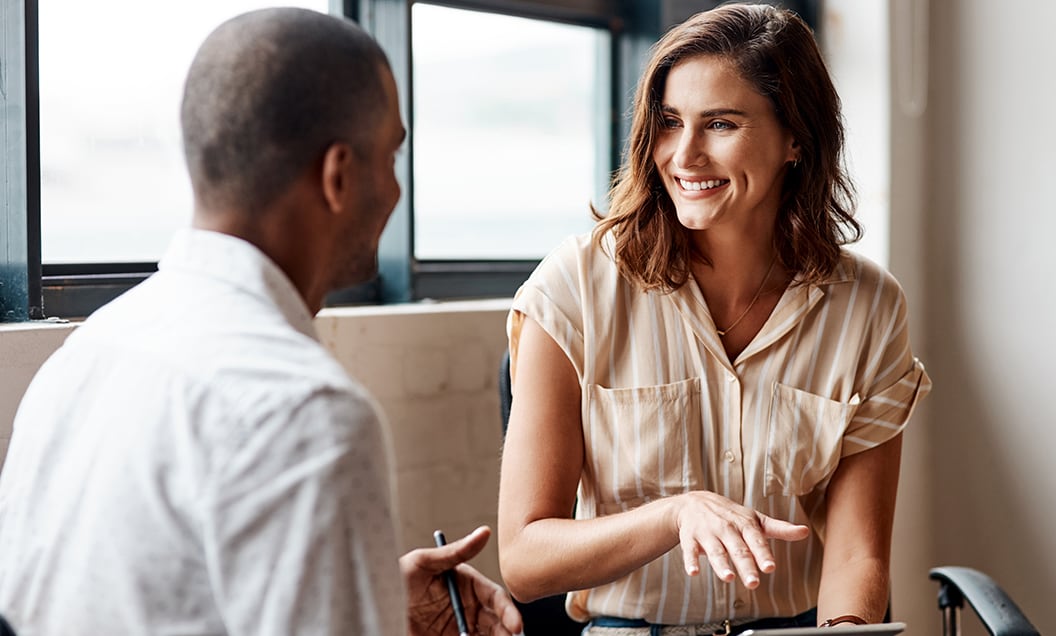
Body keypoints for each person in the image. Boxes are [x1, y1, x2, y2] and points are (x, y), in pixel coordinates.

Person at [0, 8, 522, 636]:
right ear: (338, 175)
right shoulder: (306, 410)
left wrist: (376, 603)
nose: (395, 191)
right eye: (390, 159)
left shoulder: (86, 355)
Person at [498, 3, 931, 634]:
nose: (684, 155)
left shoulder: (868, 307)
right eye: (670, 123)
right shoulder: (574, 289)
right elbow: (525, 559)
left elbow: (858, 549)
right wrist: (675, 516)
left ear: (796, 139)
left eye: (720, 124)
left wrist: (844, 629)